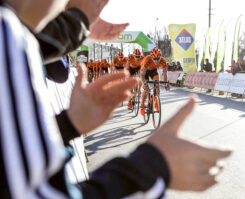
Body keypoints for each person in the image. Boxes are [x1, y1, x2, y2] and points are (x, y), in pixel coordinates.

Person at [0, 0, 232, 198]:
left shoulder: (157, 60)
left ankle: (150, 95)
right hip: (131, 69)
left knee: (155, 83)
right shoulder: (7, 33)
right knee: (139, 81)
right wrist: (151, 167)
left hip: (148, 72)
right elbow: (139, 72)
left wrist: (67, 124)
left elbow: (161, 73)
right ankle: (140, 99)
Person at [140, 48, 169, 115]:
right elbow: (142, 75)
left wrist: (165, 84)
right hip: (145, 73)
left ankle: (155, 101)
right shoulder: (147, 59)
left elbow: (165, 74)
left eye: (158, 58)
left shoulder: (163, 61)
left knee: (157, 86)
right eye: (154, 59)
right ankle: (142, 104)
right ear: (151, 57)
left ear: (160, 57)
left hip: (153, 71)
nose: (156, 61)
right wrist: (144, 83)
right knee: (146, 89)